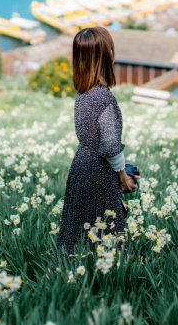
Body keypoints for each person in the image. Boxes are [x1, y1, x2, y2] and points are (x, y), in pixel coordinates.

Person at [56, 26, 137, 255]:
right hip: (99, 172)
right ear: (106, 55)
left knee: (76, 230)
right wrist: (123, 176)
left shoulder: (83, 95)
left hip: (81, 166)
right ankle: (110, 277)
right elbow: (111, 146)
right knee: (109, 231)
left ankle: (69, 273)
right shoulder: (103, 97)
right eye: (111, 48)